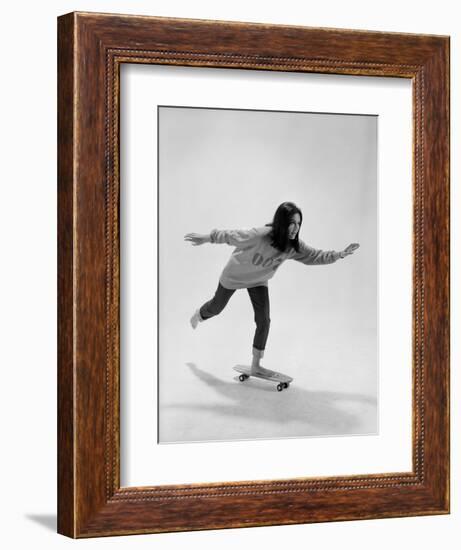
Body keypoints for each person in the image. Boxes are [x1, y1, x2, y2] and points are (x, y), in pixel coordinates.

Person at [184, 202, 359, 376]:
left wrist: (339, 254)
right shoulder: (261, 235)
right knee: (216, 307)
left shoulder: (292, 246)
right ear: (282, 222)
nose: (295, 228)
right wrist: (207, 237)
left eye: (299, 224)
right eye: (292, 223)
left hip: (258, 281)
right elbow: (232, 235)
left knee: (264, 320)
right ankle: (199, 314)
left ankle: (256, 365)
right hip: (234, 275)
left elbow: (315, 255)